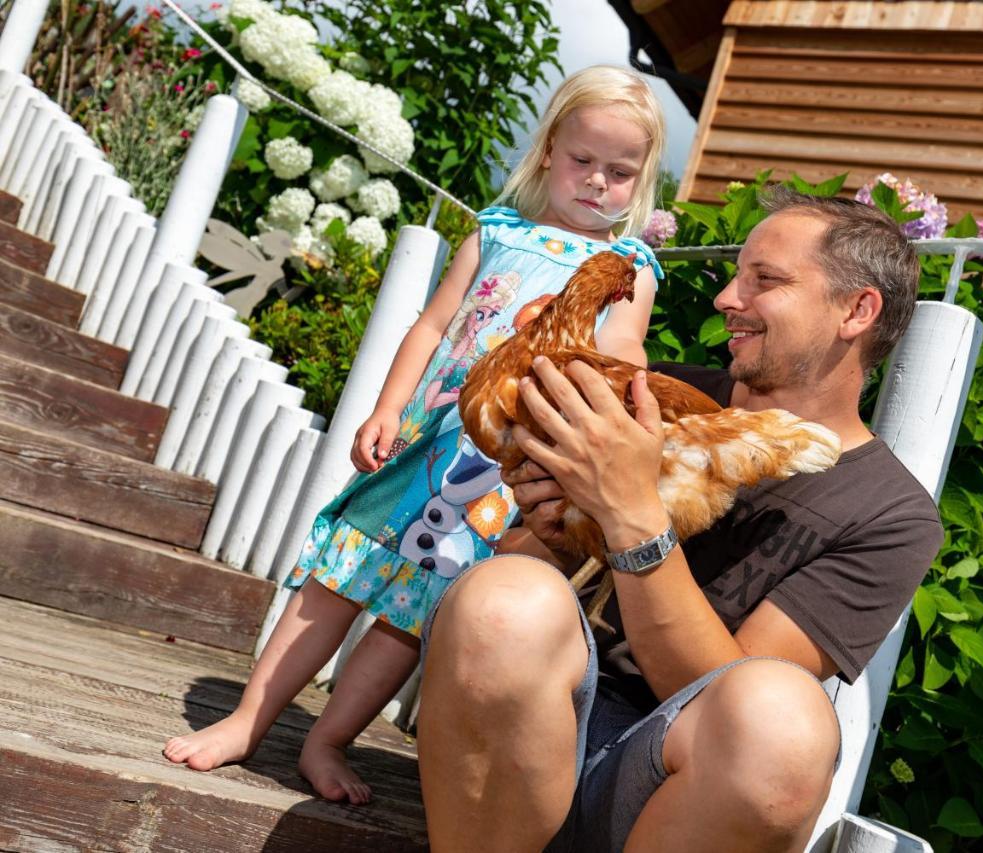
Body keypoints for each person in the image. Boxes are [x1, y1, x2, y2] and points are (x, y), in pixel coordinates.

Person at [162, 64, 669, 804]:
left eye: (619, 172)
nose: (597, 182)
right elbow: (431, 326)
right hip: (423, 444)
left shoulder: (628, 267)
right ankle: (248, 717)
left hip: (502, 467)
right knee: (337, 577)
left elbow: (623, 356)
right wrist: (386, 409)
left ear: (643, 179)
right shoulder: (495, 233)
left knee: (413, 614)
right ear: (550, 151)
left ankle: (327, 739)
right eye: (583, 160)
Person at [414, 187, 946, 852]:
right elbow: (504, 583)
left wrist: (630, 514)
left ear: (857, 310)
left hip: (669, 787)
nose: (727, 298)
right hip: (520, 734)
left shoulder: (888, 513)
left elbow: (726, 700)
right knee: (503, 601)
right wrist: (555, 531)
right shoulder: (645, 393)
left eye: (765, 280)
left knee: (783, 722)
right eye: (736, 274)